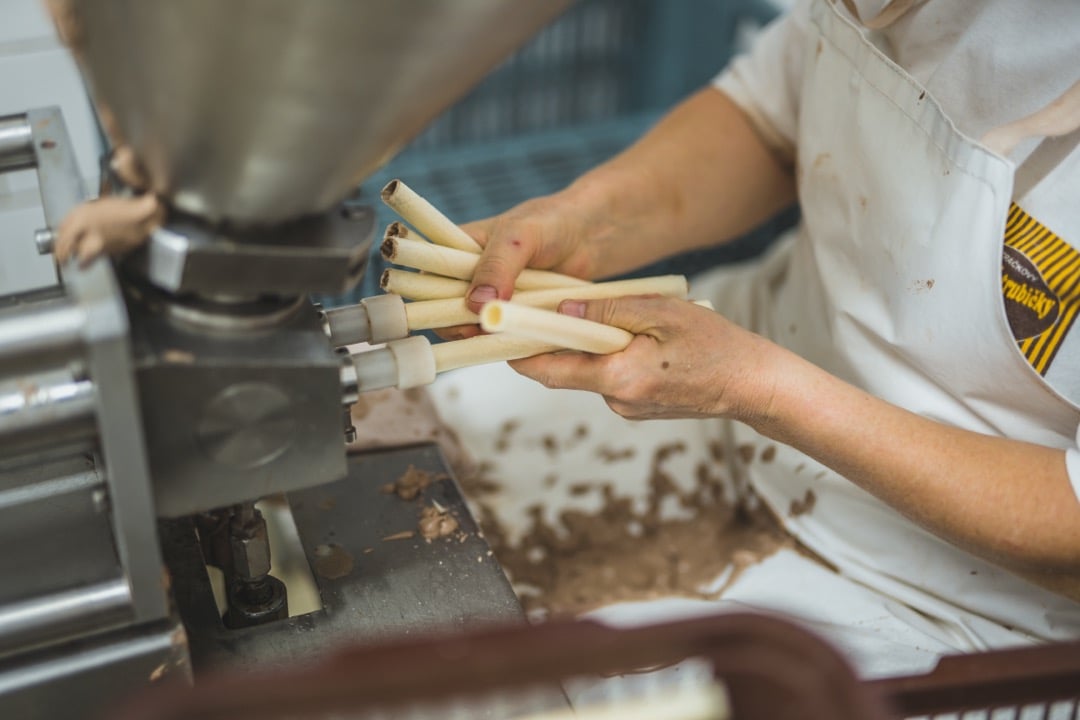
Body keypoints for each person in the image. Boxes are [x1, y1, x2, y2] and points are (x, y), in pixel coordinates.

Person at [441, 0, 1080, 677]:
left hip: (963, 598)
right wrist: (587, 223)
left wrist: (759, 388)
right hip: (766, 347)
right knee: (414, 435)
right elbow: (773, 121)